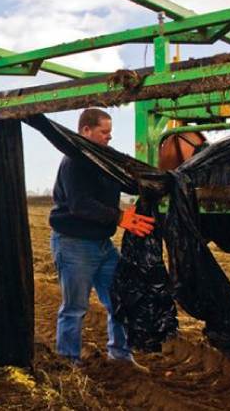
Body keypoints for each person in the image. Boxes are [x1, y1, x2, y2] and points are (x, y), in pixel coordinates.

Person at [49, 108, 155, 367]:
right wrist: (119, 218)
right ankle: (69, 362)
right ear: (86, 131)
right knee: (75, 308)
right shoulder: (74, 162)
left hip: (102, 245)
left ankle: (120, 356)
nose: (109, 137)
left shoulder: (104, 162)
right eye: (104, 132)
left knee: (121, 300)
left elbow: (126, 184)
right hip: (74, 244)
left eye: (110, 132)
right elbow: (79, 205)